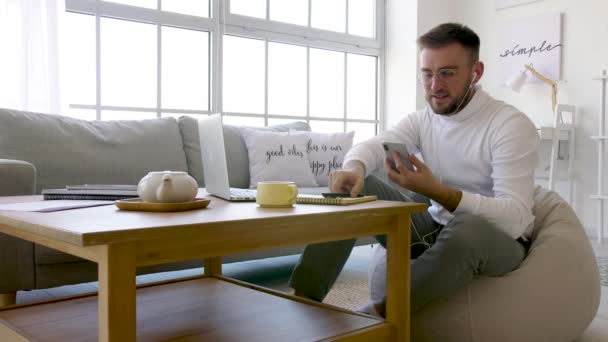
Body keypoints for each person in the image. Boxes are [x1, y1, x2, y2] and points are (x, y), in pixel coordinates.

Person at [288, 22, 540, 315]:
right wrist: (354, 168)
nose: (435, 86)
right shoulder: (423, 120)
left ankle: (380, 315)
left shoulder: (509, 125)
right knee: (357, 187)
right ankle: (303, 300)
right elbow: (373, 145)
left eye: (447, 73)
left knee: (467, 227)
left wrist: (439, 193)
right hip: (433, 230)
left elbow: (515, 220)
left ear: (476, 72)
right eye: (427, 74)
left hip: (496, 242)